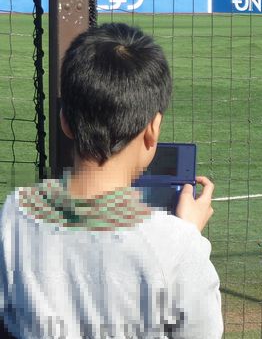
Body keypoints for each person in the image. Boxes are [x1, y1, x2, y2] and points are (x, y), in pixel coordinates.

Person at [0, 23, 223, 339]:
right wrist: (186, 235)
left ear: (65, 120)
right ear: (153, 129)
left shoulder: (13, 216)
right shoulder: (178, 246)